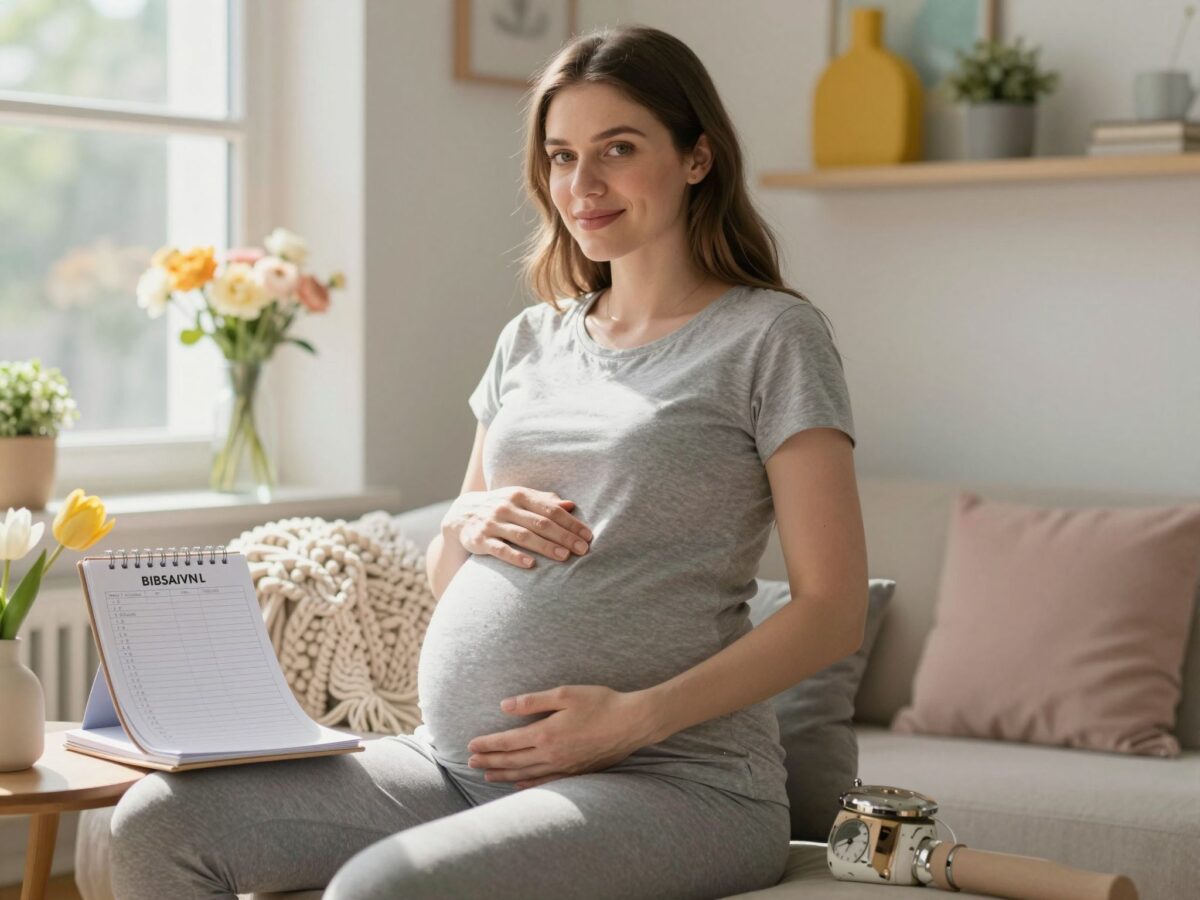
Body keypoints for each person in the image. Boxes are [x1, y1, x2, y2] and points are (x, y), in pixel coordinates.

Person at [108, 22, 868, 900]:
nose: (582, 186)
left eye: (617, 149)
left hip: (672, 782)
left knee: (381, 889)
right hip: (453, 766)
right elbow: (445, 574)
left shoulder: (771, 337)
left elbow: (832, 610)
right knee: (157, 824)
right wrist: (464, 520)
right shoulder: (532, 339)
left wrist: (630, 721)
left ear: (697, 157)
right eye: (560, 156)